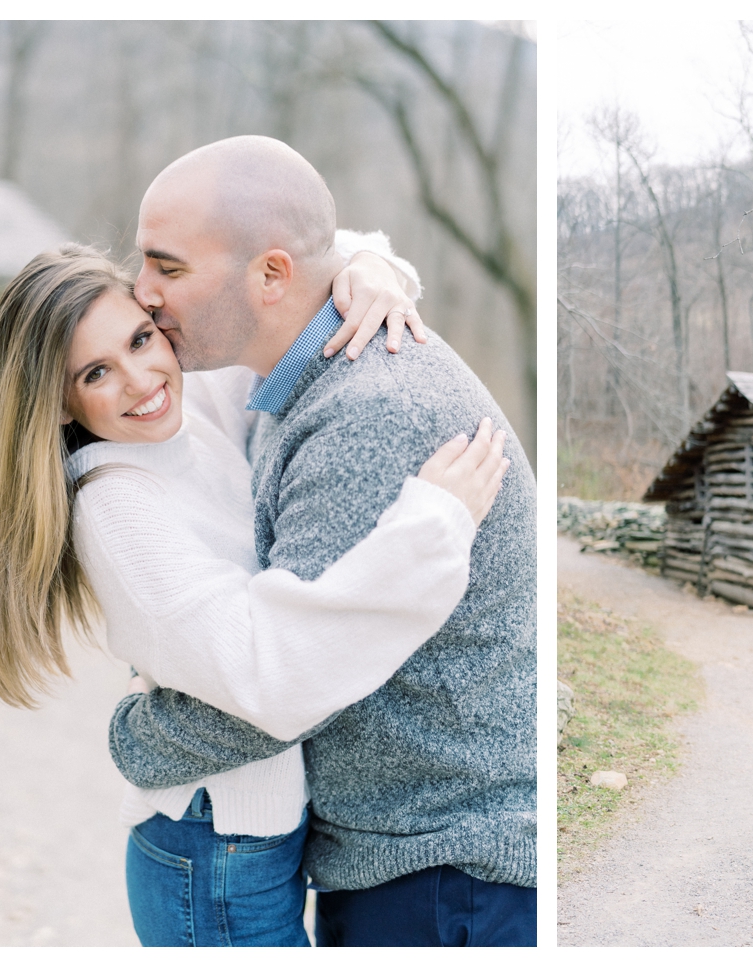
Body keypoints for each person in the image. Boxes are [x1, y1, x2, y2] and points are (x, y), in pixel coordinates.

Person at [0, 235, 511, 946]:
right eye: (96, 371)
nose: (140, 377)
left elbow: (287, 268)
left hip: (254, 840)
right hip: (211, 853)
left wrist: (368, 271)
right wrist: (436, 525)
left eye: (141, 337)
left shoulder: (187, 412)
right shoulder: (116, 504)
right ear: (59, 404)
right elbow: (267, 672)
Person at [105, 136, 537, 946]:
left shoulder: (365, 416)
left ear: (271, 277)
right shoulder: (285, 377)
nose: (143, 292)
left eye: (167, 266)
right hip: (410, 852)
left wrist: (133, 732)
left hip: (446, 872)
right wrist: (370, 261)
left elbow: (285, 680)